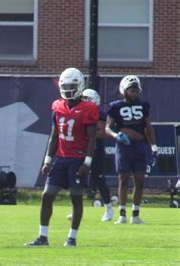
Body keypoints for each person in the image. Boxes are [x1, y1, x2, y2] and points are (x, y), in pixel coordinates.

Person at [25, 68, 98, 247]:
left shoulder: (89, 108)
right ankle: (43, 237)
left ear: (80, 86)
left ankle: (72, 238)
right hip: (61, 158)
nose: (68, 89)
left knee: (76, 197)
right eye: (65, 86)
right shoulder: (57, 105)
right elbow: (54, 136)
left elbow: (92, 139)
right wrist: (47, 160)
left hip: (78, 159)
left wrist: (87, 162)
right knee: (47, 195)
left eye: (71, 86)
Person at [105, 75, 157, 224]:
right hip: (124, 146)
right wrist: (116, 135)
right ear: (124, 90)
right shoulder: (115, 106)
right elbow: (107, 127)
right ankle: (122, 214)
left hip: (139, 145)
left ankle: (135, 214)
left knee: (140, 180)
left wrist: (153, 145)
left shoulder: (143, 105)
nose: (134, 93)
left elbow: (148, 127)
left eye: (136, 90)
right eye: (131, 90)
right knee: (124, 179)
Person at [81, 89, 114, 221]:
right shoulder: (81, 112)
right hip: (82, 149)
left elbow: (102, 132)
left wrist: (86, 135)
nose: (84, 101)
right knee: (77, 178)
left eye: (86, 99)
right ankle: (77, 209)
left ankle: (108, 208)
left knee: (98, 178)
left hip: (96, 150)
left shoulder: (98, 113)